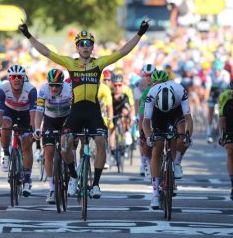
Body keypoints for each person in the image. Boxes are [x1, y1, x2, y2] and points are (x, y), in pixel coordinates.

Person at [19, 17, 150, 199]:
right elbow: (46, 52)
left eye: (89, 44)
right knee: (65, 145)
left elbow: (122, 52)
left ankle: (96, 184)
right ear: (77, 47)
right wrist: (28, 35)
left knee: (101, 142)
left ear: (92, 46)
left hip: (93, 109)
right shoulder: (71, 64)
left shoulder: (99, 63)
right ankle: (73, 176)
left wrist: (140, 33)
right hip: (77, 110)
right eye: (82, 44)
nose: (85, 47)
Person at [143, 70, 193, 209]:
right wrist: (149, 137)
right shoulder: (151, 93)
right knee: (157, 148)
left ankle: (176, 163)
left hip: (176, 112)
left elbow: (188, 118)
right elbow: (146, 122)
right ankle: (155, 194)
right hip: (158, 115)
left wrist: (187, 136)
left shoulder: (180, 90)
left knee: (182, 134)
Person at [0, 65, 37, 197]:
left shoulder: (31, 90)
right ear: (9, 79)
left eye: (19, 77)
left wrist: (32, 130)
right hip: (9, 112)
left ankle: (28, 179)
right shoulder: (3, 89)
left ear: (24, 79)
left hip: (25, 114)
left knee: (27, 144)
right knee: (5, 125)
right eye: (13, 77)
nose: (16, 79)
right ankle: (6, 154)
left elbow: (34, 113)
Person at [33, 69, 72, 204]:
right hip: (50, 120)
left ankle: (71, 172)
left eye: (57, 85)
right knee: (48, 152)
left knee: (66, 148)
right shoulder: (43, 90)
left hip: (66, 119)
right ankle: (52, 189)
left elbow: (75, 110)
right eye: (51, 85)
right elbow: (39, 112)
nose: (54, 88)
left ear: (62, 84)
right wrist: (37, 128)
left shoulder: (69, 90)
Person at [138, 64, 156, 178]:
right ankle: (143, 161)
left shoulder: (158, 84)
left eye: (150, 75)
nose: (148, 77)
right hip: (143, 110)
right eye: (146, 75)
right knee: (143, 137)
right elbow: (137, 103)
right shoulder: (139, 86)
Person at [205, 60, 231, 143]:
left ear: (221, 70)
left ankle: (223, 131)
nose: (217, 72)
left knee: (223, 109)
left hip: (223, 90)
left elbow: (223, 88)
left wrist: (221, 100)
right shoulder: (209, 74)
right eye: (215, 70)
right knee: (210, 109)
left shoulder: (226, 74)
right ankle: (209, 132)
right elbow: (208, 88)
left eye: (218, 71)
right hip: (213, 90)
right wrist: (207, 98)